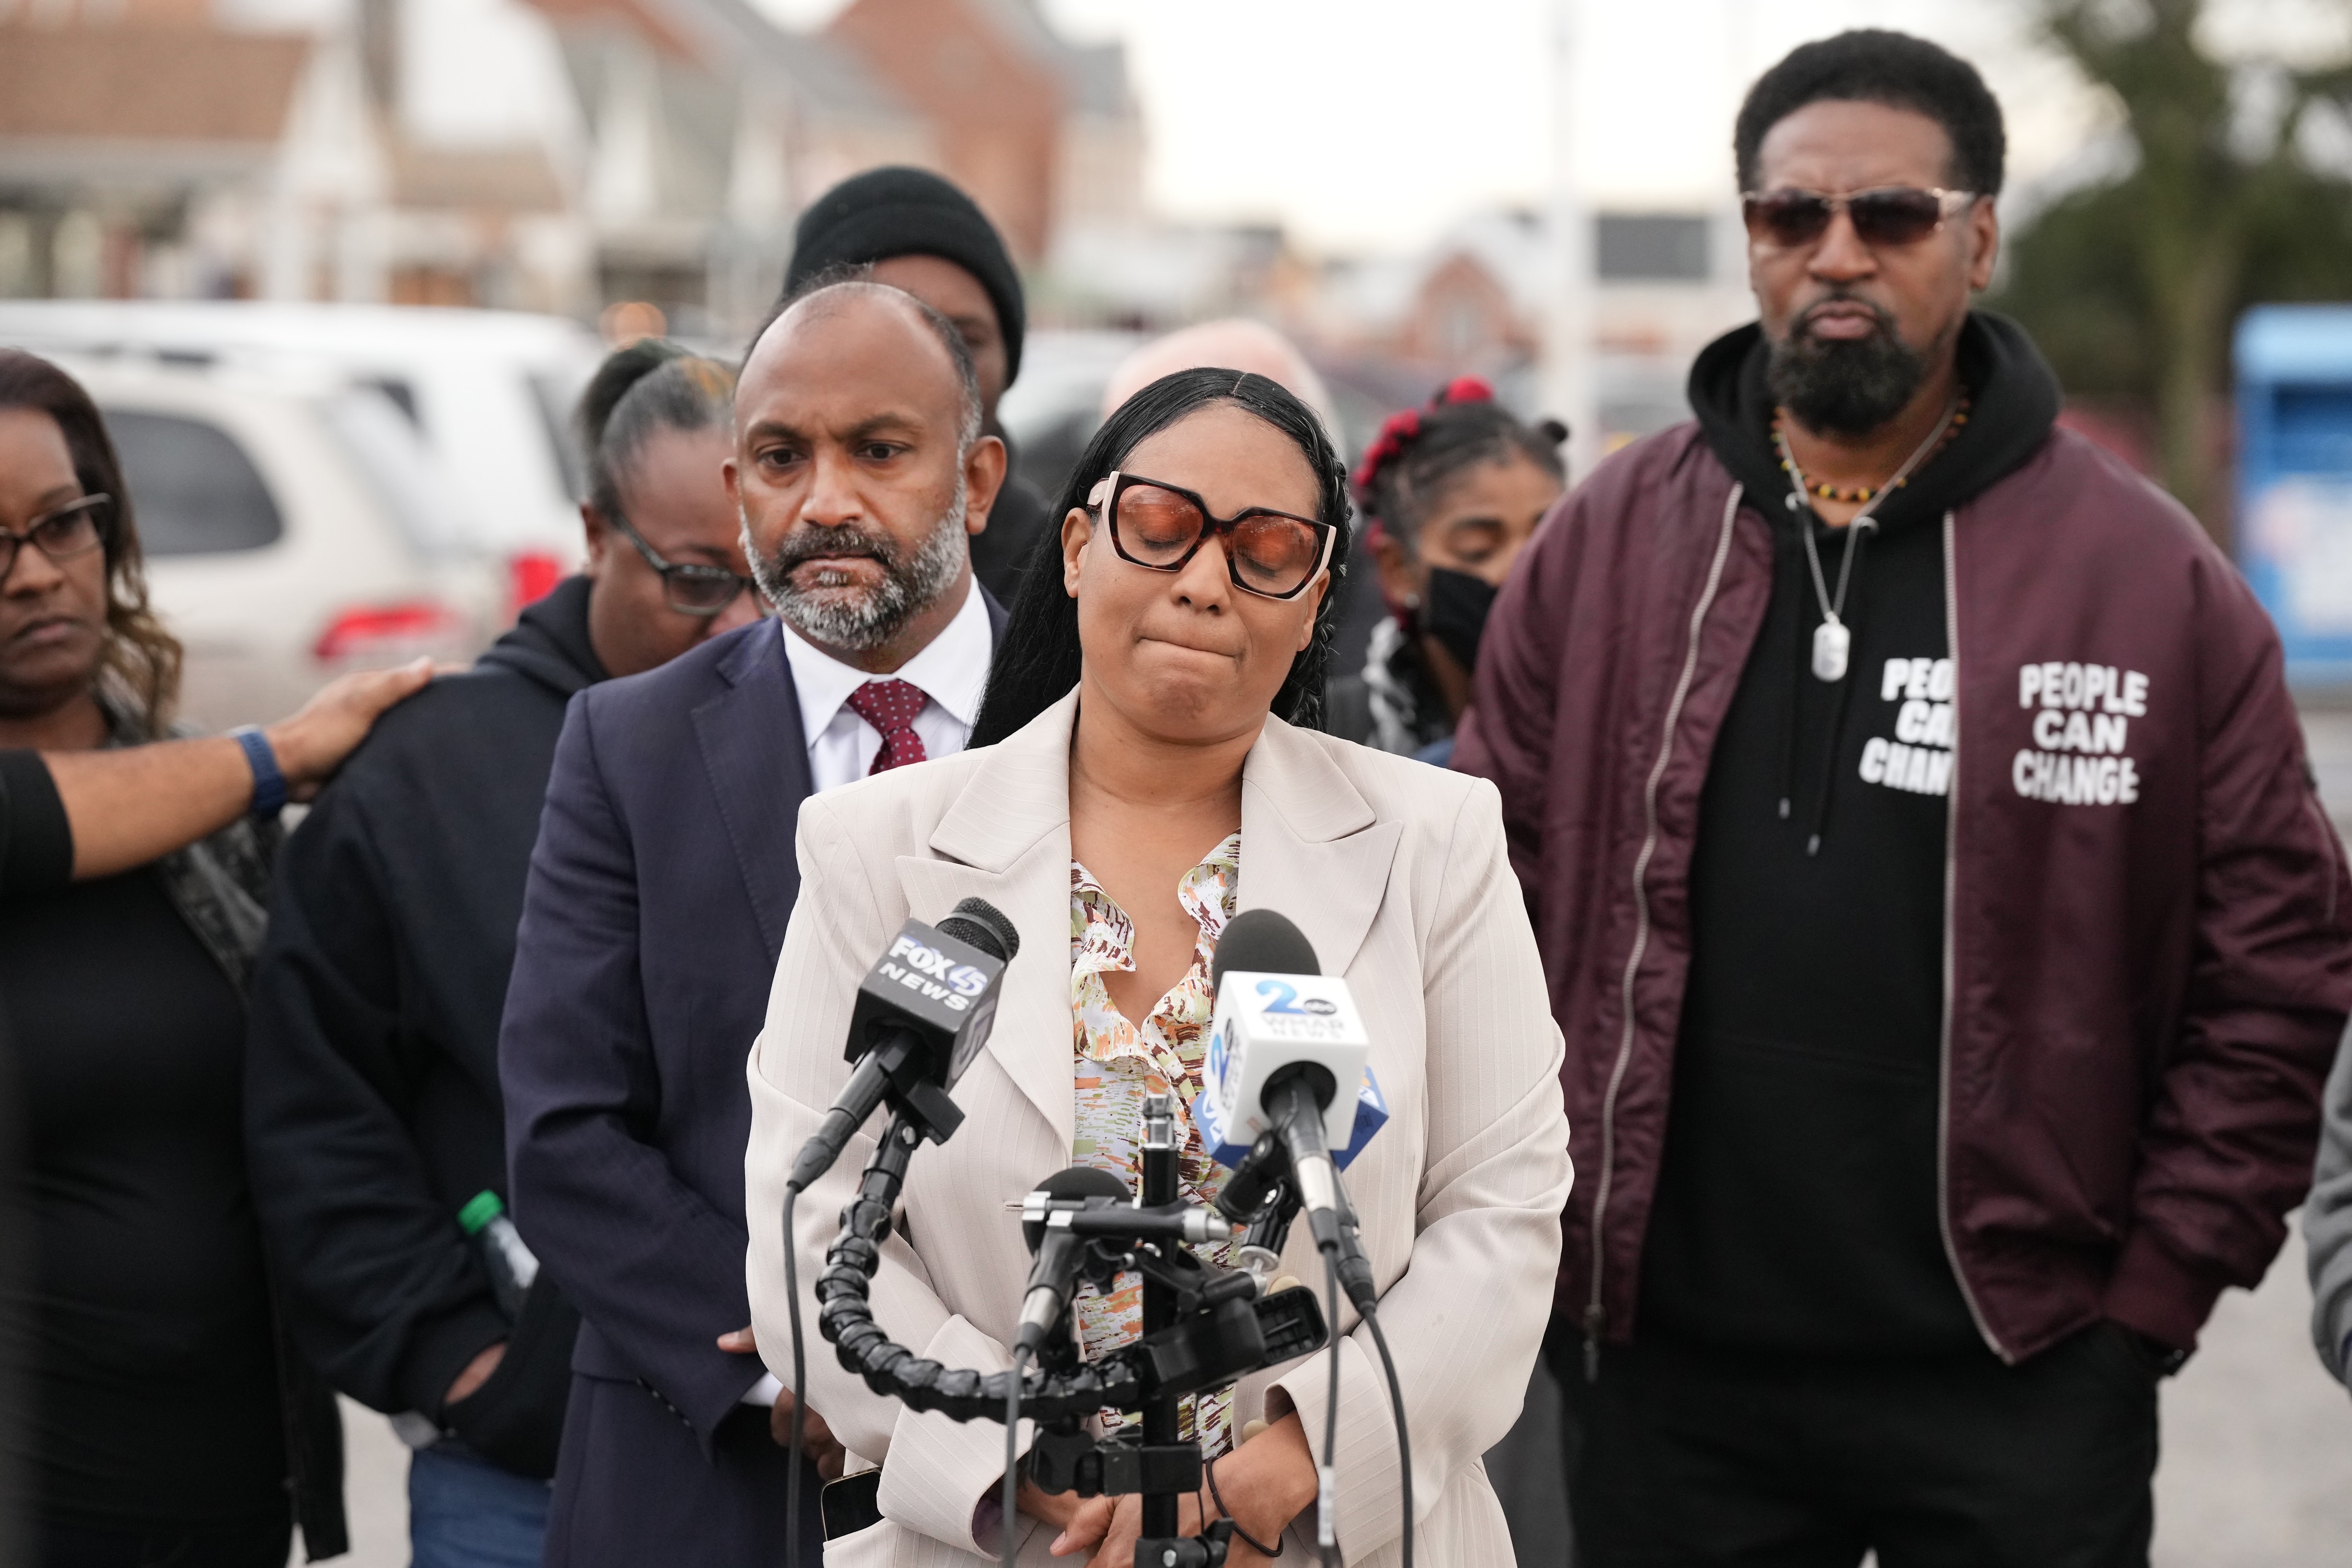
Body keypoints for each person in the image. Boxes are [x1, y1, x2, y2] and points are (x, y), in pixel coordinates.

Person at [1456, 30, 2352, 1566]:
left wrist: (2148, 1303)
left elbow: (2276, 965)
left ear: (1979, 234)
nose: (1837, 254)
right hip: (1669, 1388)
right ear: (1751, 236)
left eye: (1892, 215)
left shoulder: (2146, 581)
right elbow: (1469, 909)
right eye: (1790, 217)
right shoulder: (1608, 544)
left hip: (2019, 1383)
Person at [743, 366, 1573, 1565]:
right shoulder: (879, 847)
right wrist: (1024, 1472)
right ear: (1079, 544)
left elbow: (1501, 1215)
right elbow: (802, 1218)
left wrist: (1285, 1471)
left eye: (1265, 547)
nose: (1202, 578)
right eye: (1161, 525)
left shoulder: (1433, 844)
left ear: (1315, 593)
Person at [498, 278, 1010, 1567]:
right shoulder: (626, 745)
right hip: (705, 1464)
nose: (823, 498)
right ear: (737, 488)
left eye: (879, 450)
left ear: (979, 478)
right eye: (781, 456)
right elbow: (563, 1121)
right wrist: (795, 1361)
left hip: (1031, 1472)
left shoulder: (1089, 732)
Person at [241, 342, 760, 1568]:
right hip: (527, 1466)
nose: (739, 620)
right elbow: (315, 1101)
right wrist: (459, 1358)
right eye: (694, 579)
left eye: (770, 579)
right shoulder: (427, 773)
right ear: (594, 529)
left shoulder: (851, 750)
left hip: (808, 1461)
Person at [0, 348, 431, 1568]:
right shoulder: (233, 779)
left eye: (61, 524)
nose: (35, 573)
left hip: (226, 1487)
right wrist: (280, 753)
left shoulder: (211, 826)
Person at [782, 165, 1045, 603]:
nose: (938, 371)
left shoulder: (1071, 580)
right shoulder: (732, 572)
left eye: (965, 340)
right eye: (886, 338)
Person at [1325, 377, 1564, 766]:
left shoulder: (1613, 724)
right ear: (1399, 569)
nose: (1524, 571)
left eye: (1552, 539)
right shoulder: (1325, 740)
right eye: (1479, 549)